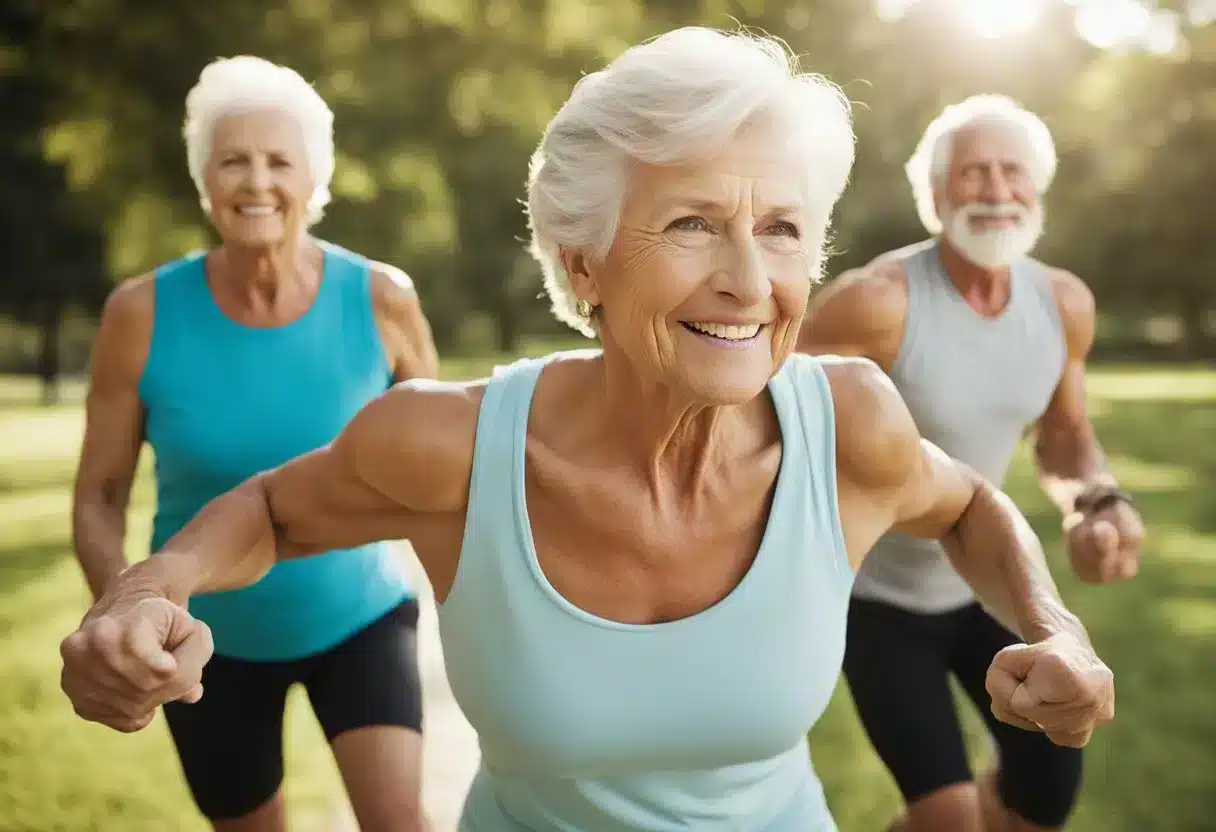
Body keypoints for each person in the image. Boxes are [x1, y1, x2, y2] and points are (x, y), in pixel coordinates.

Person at [61, 31, 1115, 832]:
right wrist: (152, 585)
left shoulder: (846, 422)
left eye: (782, 229)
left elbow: (969, 503)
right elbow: (273, 508)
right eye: (692, 222)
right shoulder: (456, 445)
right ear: (583, 262)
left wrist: (1051, 624)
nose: (749, 282)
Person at [69, 56, 440, 832]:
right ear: (206, 180)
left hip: (359, 616)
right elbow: (101, 494)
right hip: (205, 650)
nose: (256, 181)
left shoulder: (382, 297)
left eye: (279, 161)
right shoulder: (139, 313)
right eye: (233, 160)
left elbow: (437, 463)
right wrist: (128, 611)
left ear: (316, 179)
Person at [797, 94, 1145, 832]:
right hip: (877, 602)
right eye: (971, 172)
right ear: (933, 195)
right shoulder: (875, 304)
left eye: (1011, 171)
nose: (994, 189)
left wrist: (1096, 501)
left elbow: (1065, 436)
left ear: (1037, 189)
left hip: (986, 588)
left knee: (1038, 808)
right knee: (948, 822)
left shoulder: (1062, 305)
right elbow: (755, 421)